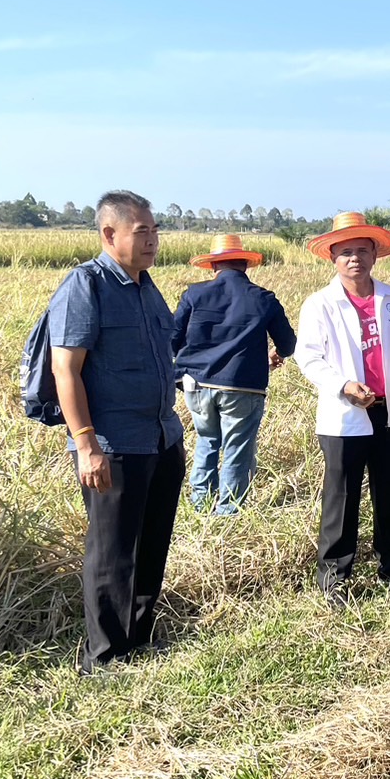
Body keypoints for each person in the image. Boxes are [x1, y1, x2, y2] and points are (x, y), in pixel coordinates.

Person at [48, 190, 185, 675]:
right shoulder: (85, 286)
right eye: (141, 232)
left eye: (155, 231)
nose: (152, 241)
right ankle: (103, 657)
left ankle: (137, 642)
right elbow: (66, 369)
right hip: (114, 445)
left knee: (151, 545)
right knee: (111, 554)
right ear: (110, 234)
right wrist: (85, 443)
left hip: (161, 439)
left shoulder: (147, 286)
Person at [295, 212, 390, 605]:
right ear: (333, 257)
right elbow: (308, 357)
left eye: (362, 251)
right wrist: (344, 386)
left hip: (388, 410)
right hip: (344, 414)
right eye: (346, 252)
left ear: (375, 256)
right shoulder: (320, 303)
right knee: (341, 497)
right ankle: (334, 576)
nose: (355, 259)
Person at [172, 233, 297, 515]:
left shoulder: (194, 294)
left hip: (197, 383)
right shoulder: (263, 299)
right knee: (237, 448)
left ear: (214, 266)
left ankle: (201, 503)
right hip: (243, 385)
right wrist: (276, 355)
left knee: (206, 440)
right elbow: (288, 344)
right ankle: (228, 510)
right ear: (244, 265)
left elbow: (171, 339)